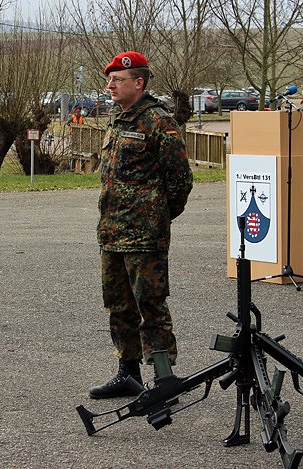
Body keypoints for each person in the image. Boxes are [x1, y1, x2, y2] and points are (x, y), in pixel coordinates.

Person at [89, 51, 193, 399]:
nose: (110, 85)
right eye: (110, 79)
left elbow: (180, 180)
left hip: (144, 235)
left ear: (139, 82)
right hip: (112, 232)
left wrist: (157, 217)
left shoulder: (157, 121)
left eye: (117, 79)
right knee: (118, 305)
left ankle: (165, 380)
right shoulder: (118, 120)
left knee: (151, 305)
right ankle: (127, 373)